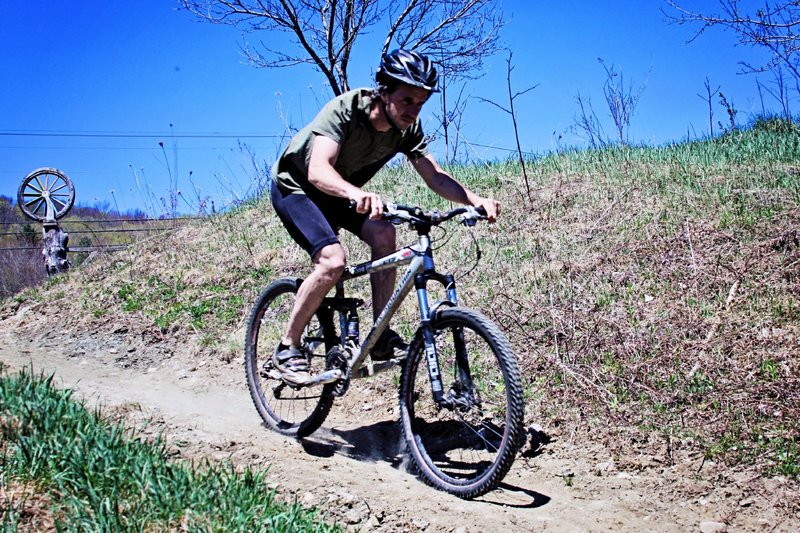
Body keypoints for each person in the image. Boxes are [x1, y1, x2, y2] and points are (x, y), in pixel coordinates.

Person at [269, 48, 501, 385]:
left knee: (385, 235)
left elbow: (434, 176)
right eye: (407, 100)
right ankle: (287, 346)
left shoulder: (407, 130)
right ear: (384, 90)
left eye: (421, 103)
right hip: (298, 188)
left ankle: (378, 339)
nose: (413, 110)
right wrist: (355, 193)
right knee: (332, 262)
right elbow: (318, 171)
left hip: (341, 192)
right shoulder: (346, 110)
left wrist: (474, 199)